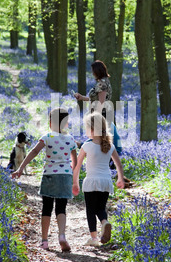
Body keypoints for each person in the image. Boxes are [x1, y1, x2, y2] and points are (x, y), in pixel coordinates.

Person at [12, 107, 77, 252]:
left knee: (47, 208)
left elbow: (34, 151)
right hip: (65, 176)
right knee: (61, 208)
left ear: (50, 123)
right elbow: (75, 161)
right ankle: (61, 236)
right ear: (66, 124)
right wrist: (72, 176)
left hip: (49, 175)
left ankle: (45, 241)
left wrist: (20, 168)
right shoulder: (71, 139)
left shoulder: (47, 137)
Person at [72, 112, 125, 247]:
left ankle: (94, 238)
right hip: (106, 181)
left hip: (91, 182)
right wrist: (120, 179)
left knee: (90, 209)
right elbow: (118, 164)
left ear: (90, 129)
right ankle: (104, 222)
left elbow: (77, 166)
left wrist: (75, 183)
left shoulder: (87, 146)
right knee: (100, 208)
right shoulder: (110, 145)